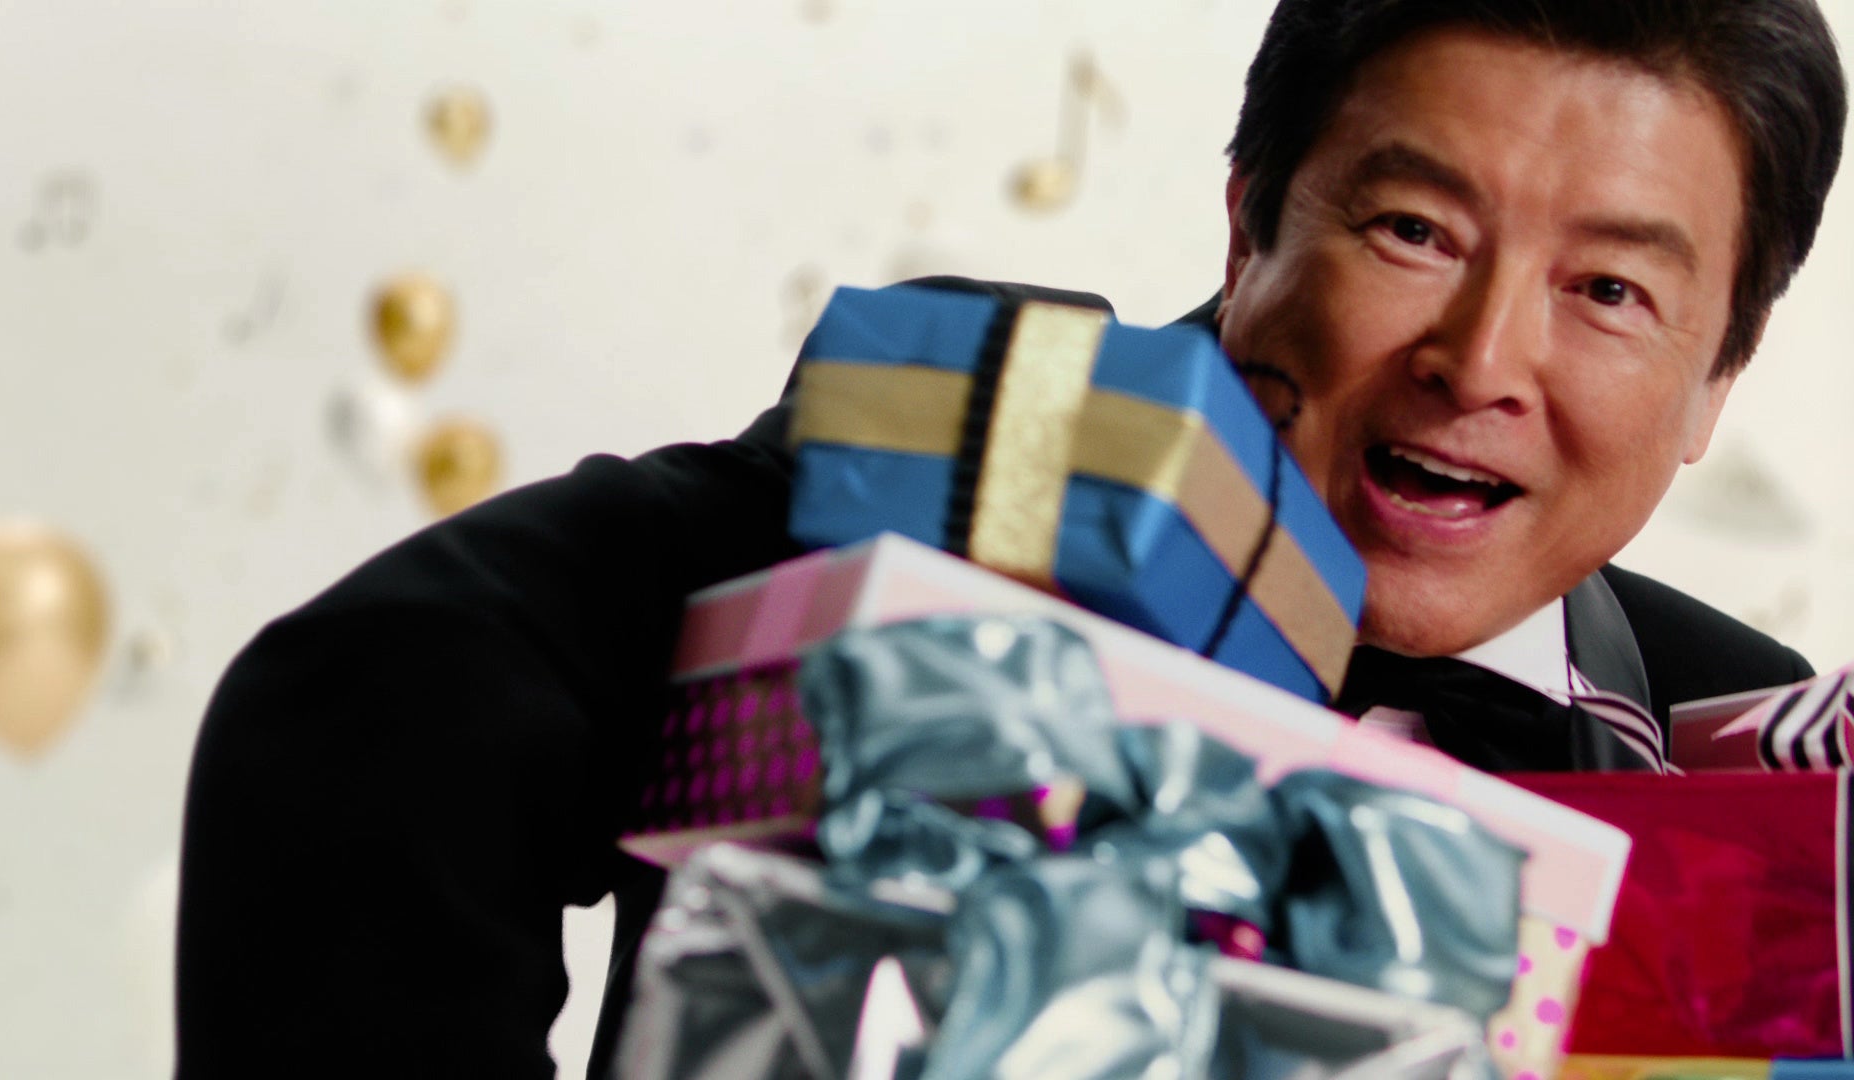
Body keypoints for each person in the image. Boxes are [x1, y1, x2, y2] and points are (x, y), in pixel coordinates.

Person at [173, 0, 1845, 1076]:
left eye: (1608, 289)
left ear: (1720, 371)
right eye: (1414, 229)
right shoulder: (987, 467)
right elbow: (379, 696)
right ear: (1253, 223)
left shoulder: (1746, 764)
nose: (1479, 364)